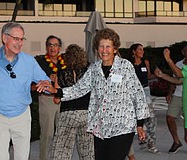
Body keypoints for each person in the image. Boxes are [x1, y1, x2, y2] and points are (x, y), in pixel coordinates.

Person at [41, 28, 150, 160]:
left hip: (122, 126)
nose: (104, 50)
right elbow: (79, 89)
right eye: (101, 47)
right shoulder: (94, 68)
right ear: (97, 49)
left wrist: (140, 124)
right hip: (100, 128)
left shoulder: (125, 66)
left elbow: (138, 94)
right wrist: (56, 91)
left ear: (115, 49)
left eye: (108, 47)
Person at [0, 22, 50, 160]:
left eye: (22, 39)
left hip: (22, 116)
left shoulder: (29, 61)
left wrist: (45, 84)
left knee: (22, 157)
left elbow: (47, 82)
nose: (20, 43)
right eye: (16, 38)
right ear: (5, 38)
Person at [51, 44, 94, 160]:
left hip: (67, 114)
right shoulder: (89, 72)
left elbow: (56, 99)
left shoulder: (61, 74)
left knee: (62, 150)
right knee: (87, 151)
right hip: (86, 114)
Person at [35, 35, 66, 160]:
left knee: (62, 133)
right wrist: (48, 78)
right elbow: (34, 82)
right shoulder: (40, 62)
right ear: (46, 47)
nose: (53, 48)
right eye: (50, 45)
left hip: (63, 99)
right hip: (47, 99)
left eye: (56, 45)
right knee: (47, 134)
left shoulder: (65, 62)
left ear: (59, 48)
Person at [128, 43, 160, 156]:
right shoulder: (129, 64)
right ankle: (130, 145)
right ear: (133, 52)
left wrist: (157, 75)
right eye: (140, 49)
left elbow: (148, 76)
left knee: (150, 118)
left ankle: (151, 143)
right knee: (133, 119)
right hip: (132, 92)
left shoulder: (145, 63)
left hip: (145, 91)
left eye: (143, 50)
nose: (142, 51)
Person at [154, 45, 187, 146]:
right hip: (182, 98)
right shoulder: (181, 65)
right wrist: (162, 75)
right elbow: (178, 80)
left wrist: (168, 60)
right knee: (170, 118)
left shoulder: (182, 68)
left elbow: (180, 74)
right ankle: (176, 142)